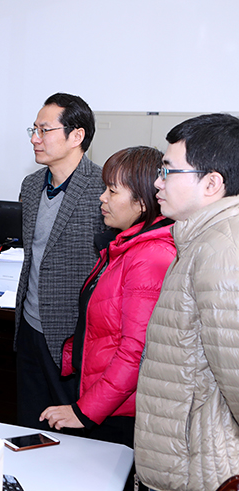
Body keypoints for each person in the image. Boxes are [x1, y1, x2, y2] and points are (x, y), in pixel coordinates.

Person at [39, 147, 175, 451]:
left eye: (112, 191)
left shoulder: (149, 257)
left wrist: (85, 411)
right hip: (102, 396)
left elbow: (135, 350)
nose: (102, 198)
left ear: (142, 202)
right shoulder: (124, 246)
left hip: (120, 411)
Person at [134, 114, 239, 491]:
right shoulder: (202, 241)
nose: (157, 182)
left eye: (168, 170)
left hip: (201, 469)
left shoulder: (223, 251)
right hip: (185, 460)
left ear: (211, 183)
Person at [15, 93, 106, 429]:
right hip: (29, 326)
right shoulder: (31, 185)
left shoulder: (102, 188)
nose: (35, 139)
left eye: (44, 130)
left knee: (71, 434)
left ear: (76, 136)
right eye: (34, 130)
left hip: (73, 337)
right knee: (29, 425)